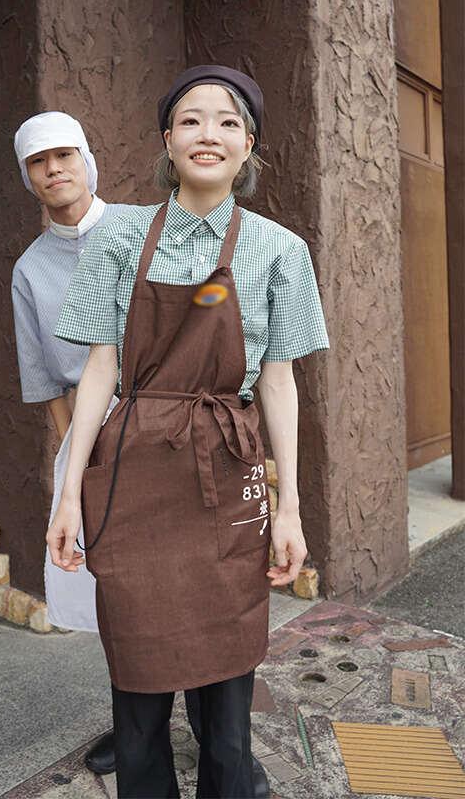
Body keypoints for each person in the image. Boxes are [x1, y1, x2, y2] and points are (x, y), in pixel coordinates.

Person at [49, 65, 329, 798]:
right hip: (133, 471)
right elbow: (99, 371)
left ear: (249, 146)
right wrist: (68, 495)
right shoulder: (115, 238)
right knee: (137, 668)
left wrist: (290, 506)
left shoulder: (281, 250)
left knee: (230, 669)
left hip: (227, 472)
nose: (210, 133)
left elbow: (277, 380)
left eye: (228, 121)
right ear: (167, 140)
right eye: (193, 119)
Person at [11, 110, 271, 794]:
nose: (55, 170)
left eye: (66, 154)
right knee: (130, 608)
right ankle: (139, 739)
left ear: (90, 159)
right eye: (39, 162)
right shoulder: (30, 271)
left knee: (210, 600)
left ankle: (229, 751)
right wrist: (80, 470)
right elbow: (54, 383)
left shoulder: (149, 226)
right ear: (27, 178)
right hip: (109, 447)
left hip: (187, 436)